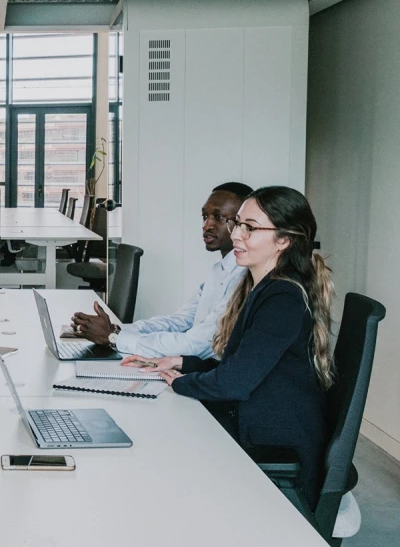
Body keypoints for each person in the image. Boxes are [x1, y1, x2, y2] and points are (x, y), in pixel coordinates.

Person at [123, 186, 335, 506]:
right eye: (237, 224)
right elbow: (237, 366)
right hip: (255, 418)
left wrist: (180, 383)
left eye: (250, 228)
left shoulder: (283, 298)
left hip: (272, 437)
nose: (236, 235)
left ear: (284, 239)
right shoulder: (262, 287)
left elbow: (233, 382)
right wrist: (181, 363)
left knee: (160, 439)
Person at [72, 182, 252, 359]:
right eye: (205, 216)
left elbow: (197, 345)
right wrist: (118, 330)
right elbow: (180, 321)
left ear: (243, 223)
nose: (207, 225)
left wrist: (114, 338)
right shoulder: (219, 270)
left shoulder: (243, 278)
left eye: (218, 217)